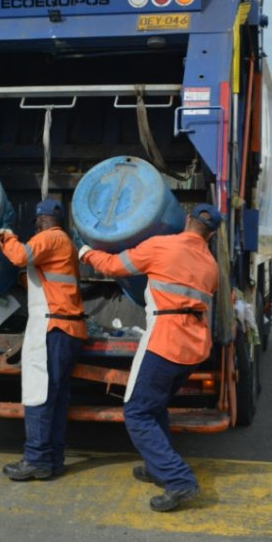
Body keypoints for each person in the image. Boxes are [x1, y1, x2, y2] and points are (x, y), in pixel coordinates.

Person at [78, 203, 221, 512]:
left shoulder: (162, 246)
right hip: (194, 346)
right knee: (155, 407)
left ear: (187, 220)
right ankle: (158, 467)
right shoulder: (211, 264)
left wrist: (85, 252)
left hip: (165, 340)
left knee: (138, 413)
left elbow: (114, 267)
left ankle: (178, 479)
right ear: (210, 235)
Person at [0, 198, 87, 481]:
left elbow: (20, 256)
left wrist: (5, 233)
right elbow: (48, 280)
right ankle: (52, 460)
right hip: (66, 329)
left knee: (39, 394)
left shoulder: (49, 238)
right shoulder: (65, 243)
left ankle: (36, 459)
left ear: (39, 221)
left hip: (53, 328)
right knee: (56, 399)